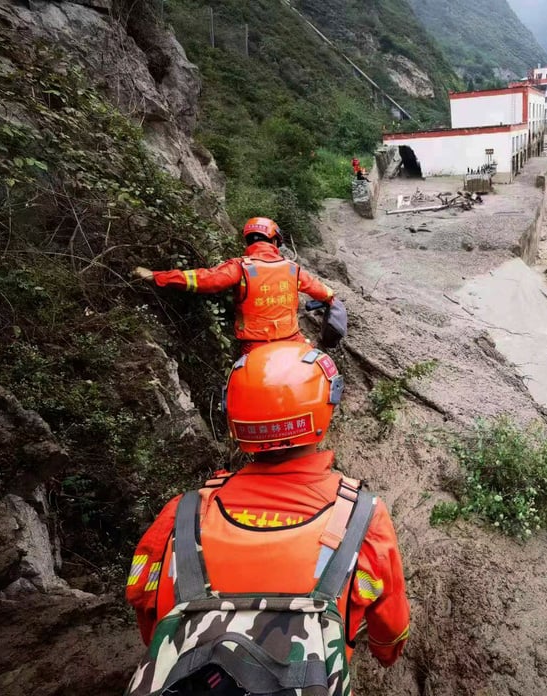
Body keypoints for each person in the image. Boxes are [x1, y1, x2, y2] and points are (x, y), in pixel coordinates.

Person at [125, 342, 410, 695]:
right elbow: (390, 626)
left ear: (235, 419)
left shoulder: (181, 515)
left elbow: (146, 610)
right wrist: (385, 652)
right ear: (324, 412)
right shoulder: (362, 518)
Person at [133, 217, 334, 353]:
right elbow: (320, 290)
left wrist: (160, 277)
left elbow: (206, 280)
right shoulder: (291, 268)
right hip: (291, 340)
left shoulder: (241, 267)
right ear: (274, 241)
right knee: (318, 369)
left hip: (255, 347)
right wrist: (330, 298)